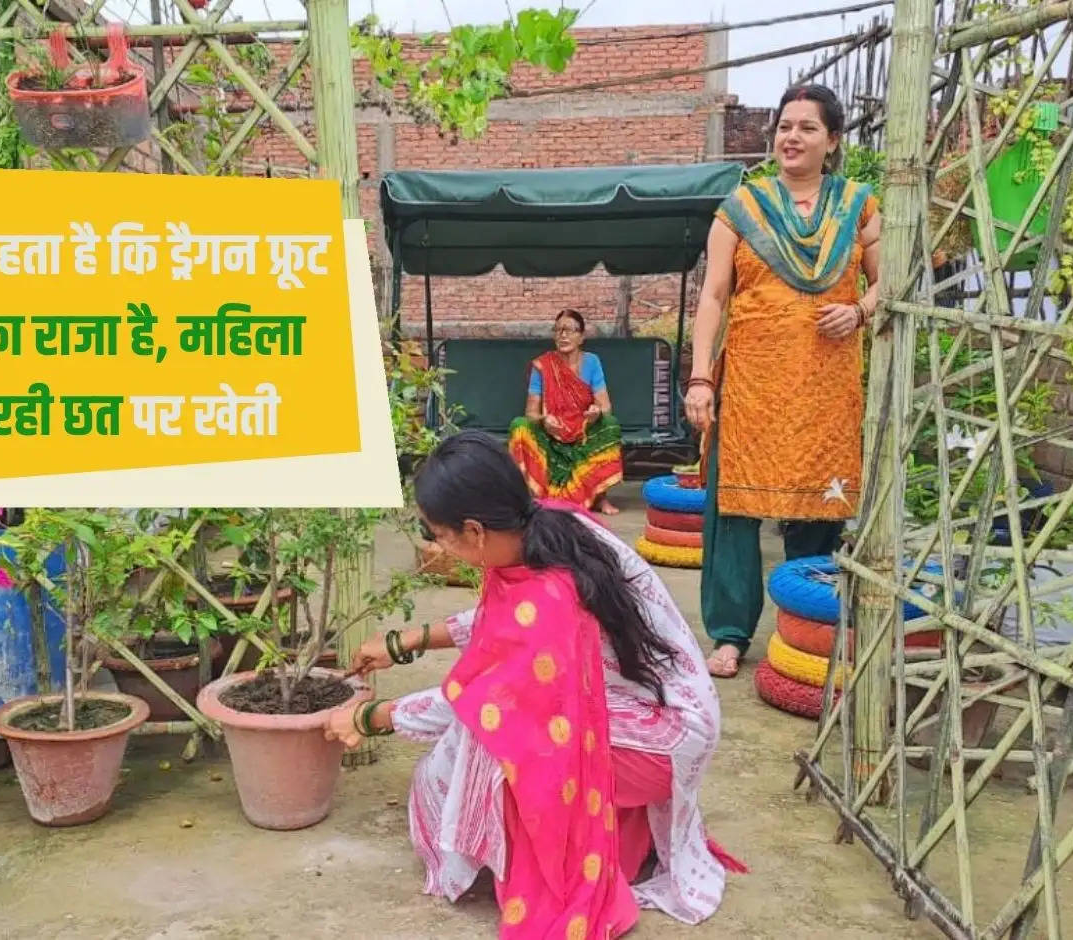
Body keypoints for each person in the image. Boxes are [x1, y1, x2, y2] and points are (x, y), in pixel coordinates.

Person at [322, 431, 742, 937]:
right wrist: (403, 642)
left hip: (667, 731)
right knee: (494, 732)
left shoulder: (548, 598)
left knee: (488, 742)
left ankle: (559, 865)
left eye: (439, 535)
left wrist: (370, 717)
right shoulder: (547, 523)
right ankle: (616, 843)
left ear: (474, 531)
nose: (438, 547)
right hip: (652, 702)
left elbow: (485, 704)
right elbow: (501, 626)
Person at [685, 83, 881, 679]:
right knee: (735, 510)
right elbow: (714, 296)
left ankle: (806, 632)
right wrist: (700, 378)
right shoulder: (740, 208)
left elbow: (891, 280)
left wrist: (862, 310)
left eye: (807, 127)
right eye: (785, 126)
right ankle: (729, 633)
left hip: (825, 385)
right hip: (750, 387)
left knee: (820, 511)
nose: (791, 137)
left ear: (833, 140)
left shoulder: (858, 206)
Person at [507, 309, 624, 515]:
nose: (563, 335)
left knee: (610, 423)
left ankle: (599, 496)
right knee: (520, 426)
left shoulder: (592, 362)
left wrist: (596, 412)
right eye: (558, 330)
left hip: (583, 430)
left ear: (582, 337)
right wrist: (544, 420)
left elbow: (606, 406)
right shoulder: (542, 366)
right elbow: (530, 412)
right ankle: (535, 495)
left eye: (569, 330)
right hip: (553, 432)